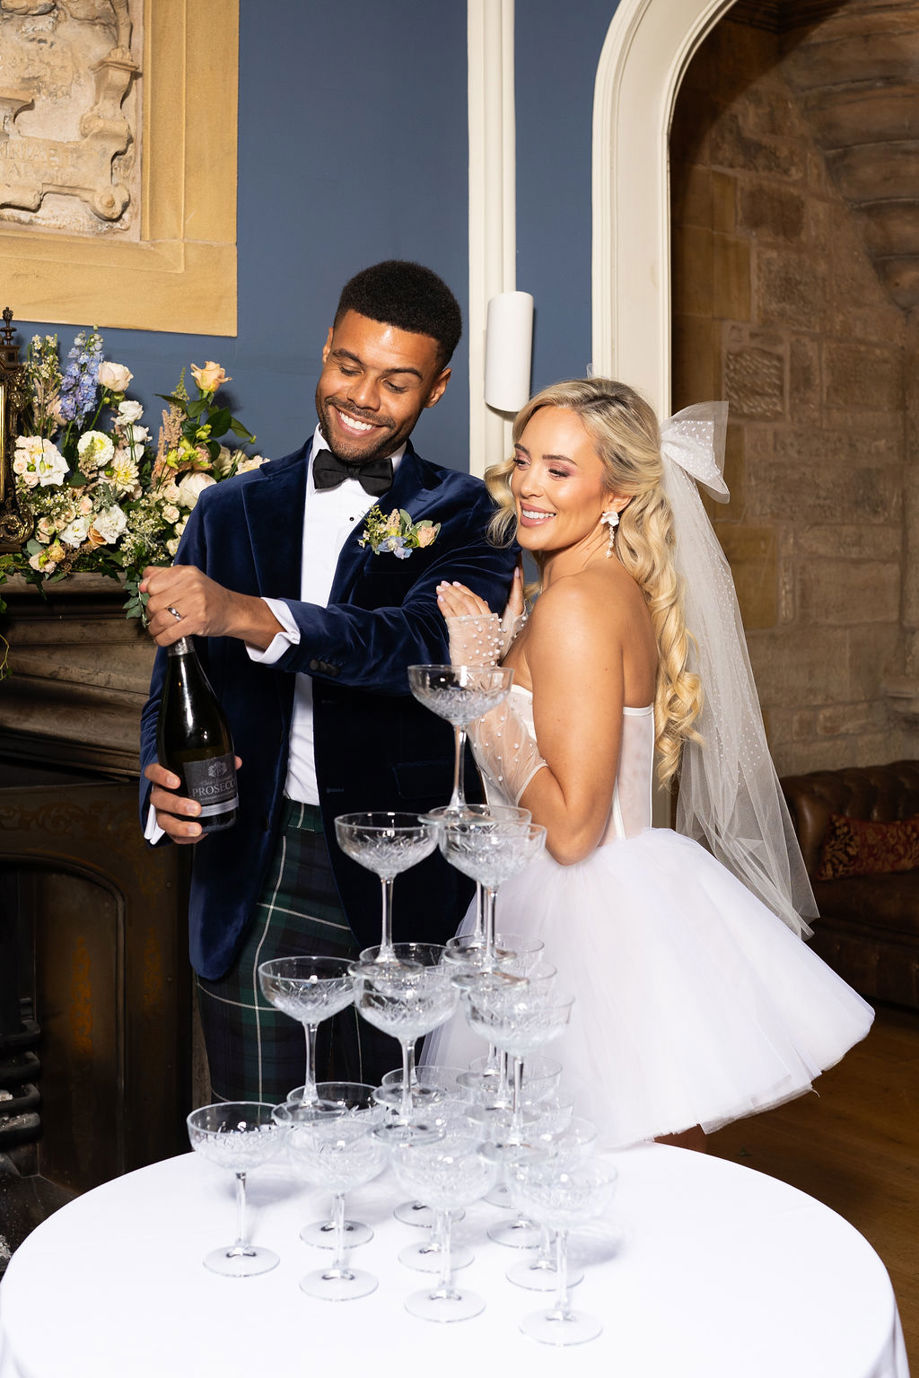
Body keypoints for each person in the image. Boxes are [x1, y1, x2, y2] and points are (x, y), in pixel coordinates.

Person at [427, 377, 874, 1148]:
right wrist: (500, 666)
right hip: (571, 897)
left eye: (559, 470)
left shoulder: (572, 606)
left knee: (572, 1166)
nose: (528, 485)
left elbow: (569, 830)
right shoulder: (581, 591)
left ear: (618, 494)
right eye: (524, 459)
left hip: (580, 912)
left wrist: (481, 688)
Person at [138, 260, 518, 1102]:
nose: (361, 396)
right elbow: (175, 682)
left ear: (438, 388)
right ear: (325, 351)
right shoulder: (227, 509)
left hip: (404, 869)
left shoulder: (468, 518)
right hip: (256, 862)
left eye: (395, 381)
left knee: (400, 1141)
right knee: (268, 1135)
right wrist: (155, 791)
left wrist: (247, 613)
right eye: (348, 367)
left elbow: (419, 646)